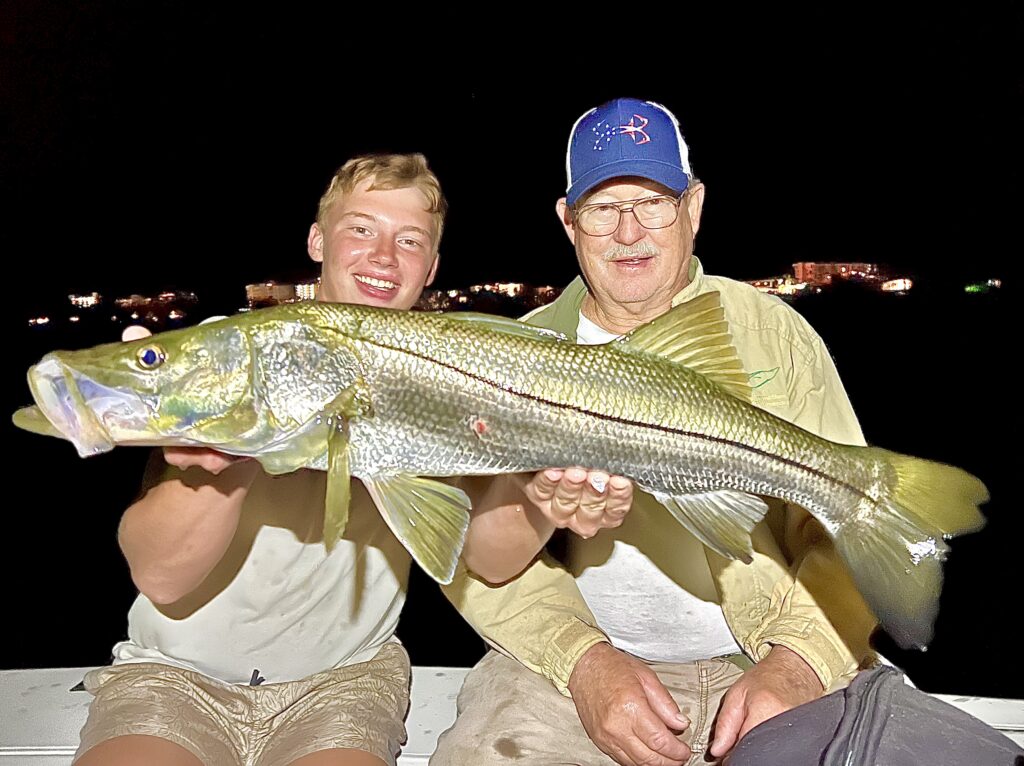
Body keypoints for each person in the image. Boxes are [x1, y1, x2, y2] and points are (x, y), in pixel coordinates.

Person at [431, 99, 879, 766]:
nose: (629, 231)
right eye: (604, 208)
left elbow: (853, 524)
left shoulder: (772, 332)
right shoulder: (511, 358)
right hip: (571, 670)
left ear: (694, 208)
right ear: (569, 221)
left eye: (653, 202)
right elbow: (474, 558)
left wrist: (800, 661)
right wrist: (584, 664)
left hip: (766, 652)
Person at [75, 153, 447, 766]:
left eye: (409, 241)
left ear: (431, 268)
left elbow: (483, 551)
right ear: (316, 240)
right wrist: (226, 463)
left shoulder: (447, 374)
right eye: (360, 228)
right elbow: (161, 576)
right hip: (176, 676)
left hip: (344, 682)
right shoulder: (233, 349)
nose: (383, 256)